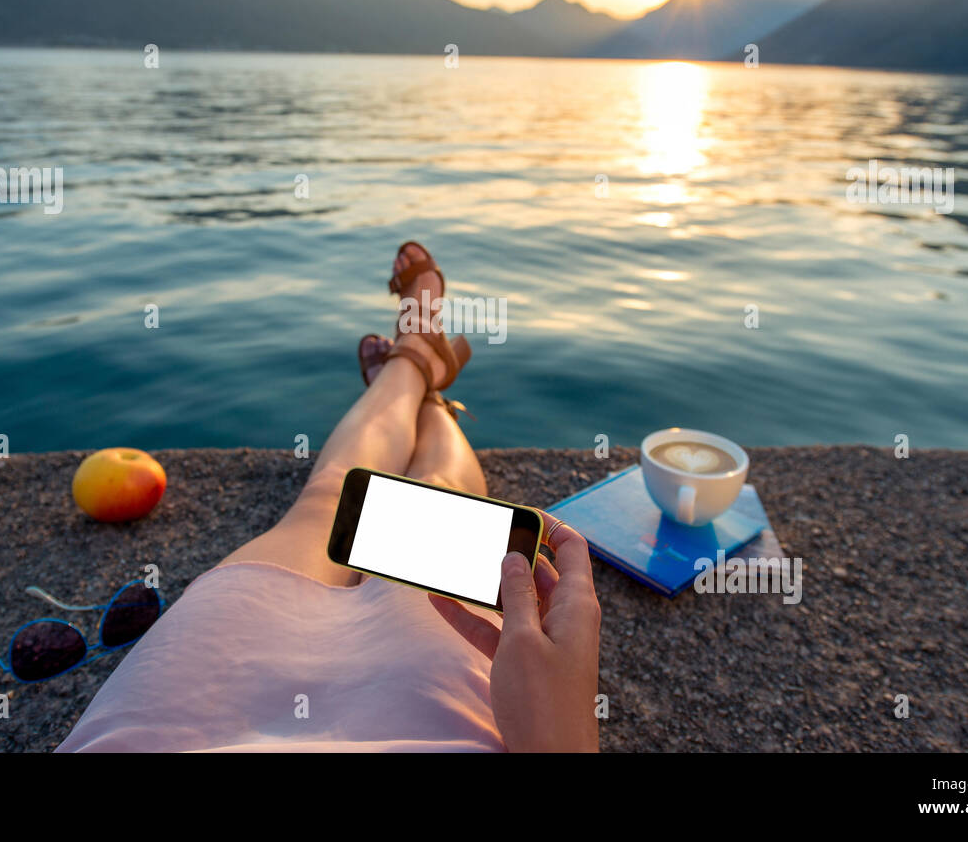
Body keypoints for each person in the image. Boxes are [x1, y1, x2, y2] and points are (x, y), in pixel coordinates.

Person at [57, 242, 602, 752]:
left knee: (331, 499)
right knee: (435, 493)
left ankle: (414, 364)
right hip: (422, 719)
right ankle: (423, 374)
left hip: (181, 718)